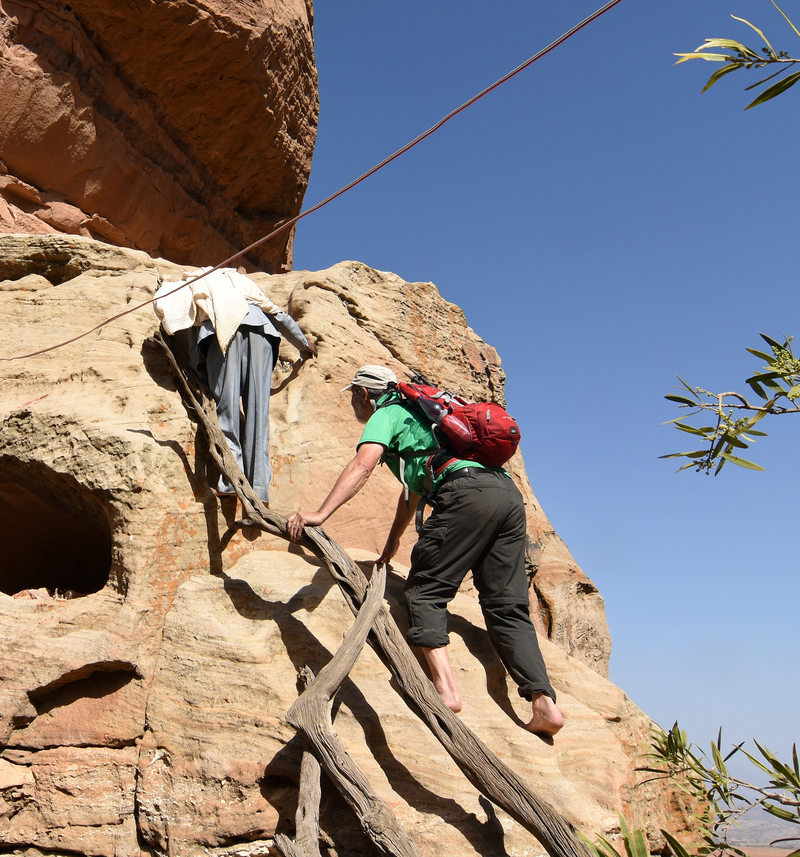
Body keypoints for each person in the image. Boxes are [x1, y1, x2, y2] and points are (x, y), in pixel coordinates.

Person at [287, 364, 565, 736]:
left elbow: (362, 465)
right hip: (506, 496)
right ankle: (544, 705)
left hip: (465, 494)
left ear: (364, 394)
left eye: (354, 394)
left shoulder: (387, 413)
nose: (353, 401)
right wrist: (393, 542)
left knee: (424, 591)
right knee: (506, 605)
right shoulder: (429, 416)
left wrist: (321, 513)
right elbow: (411, 492)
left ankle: (445, 689)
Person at [152, 267, 312, 502]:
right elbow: (276, 314)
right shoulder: (244, 284)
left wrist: (199, 371)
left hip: (221, 336)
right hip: (262, 334)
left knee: (226, 408)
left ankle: (229, 483)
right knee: (258, 412)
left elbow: (196, 336)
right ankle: (259, 487)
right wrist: (303, 344)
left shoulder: (204, 284)